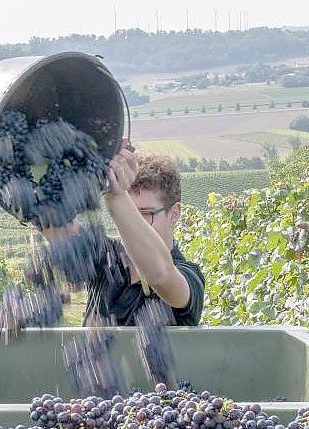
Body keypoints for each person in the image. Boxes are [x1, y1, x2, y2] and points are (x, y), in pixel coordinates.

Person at [42, 140, 205, 326]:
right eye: (129, 213)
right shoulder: (106, 259)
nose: (130, 222)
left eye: (144, 214)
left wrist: (117, 195)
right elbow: (49, 218)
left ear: (174, 214)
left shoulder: (189, 278)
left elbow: (160, 274)